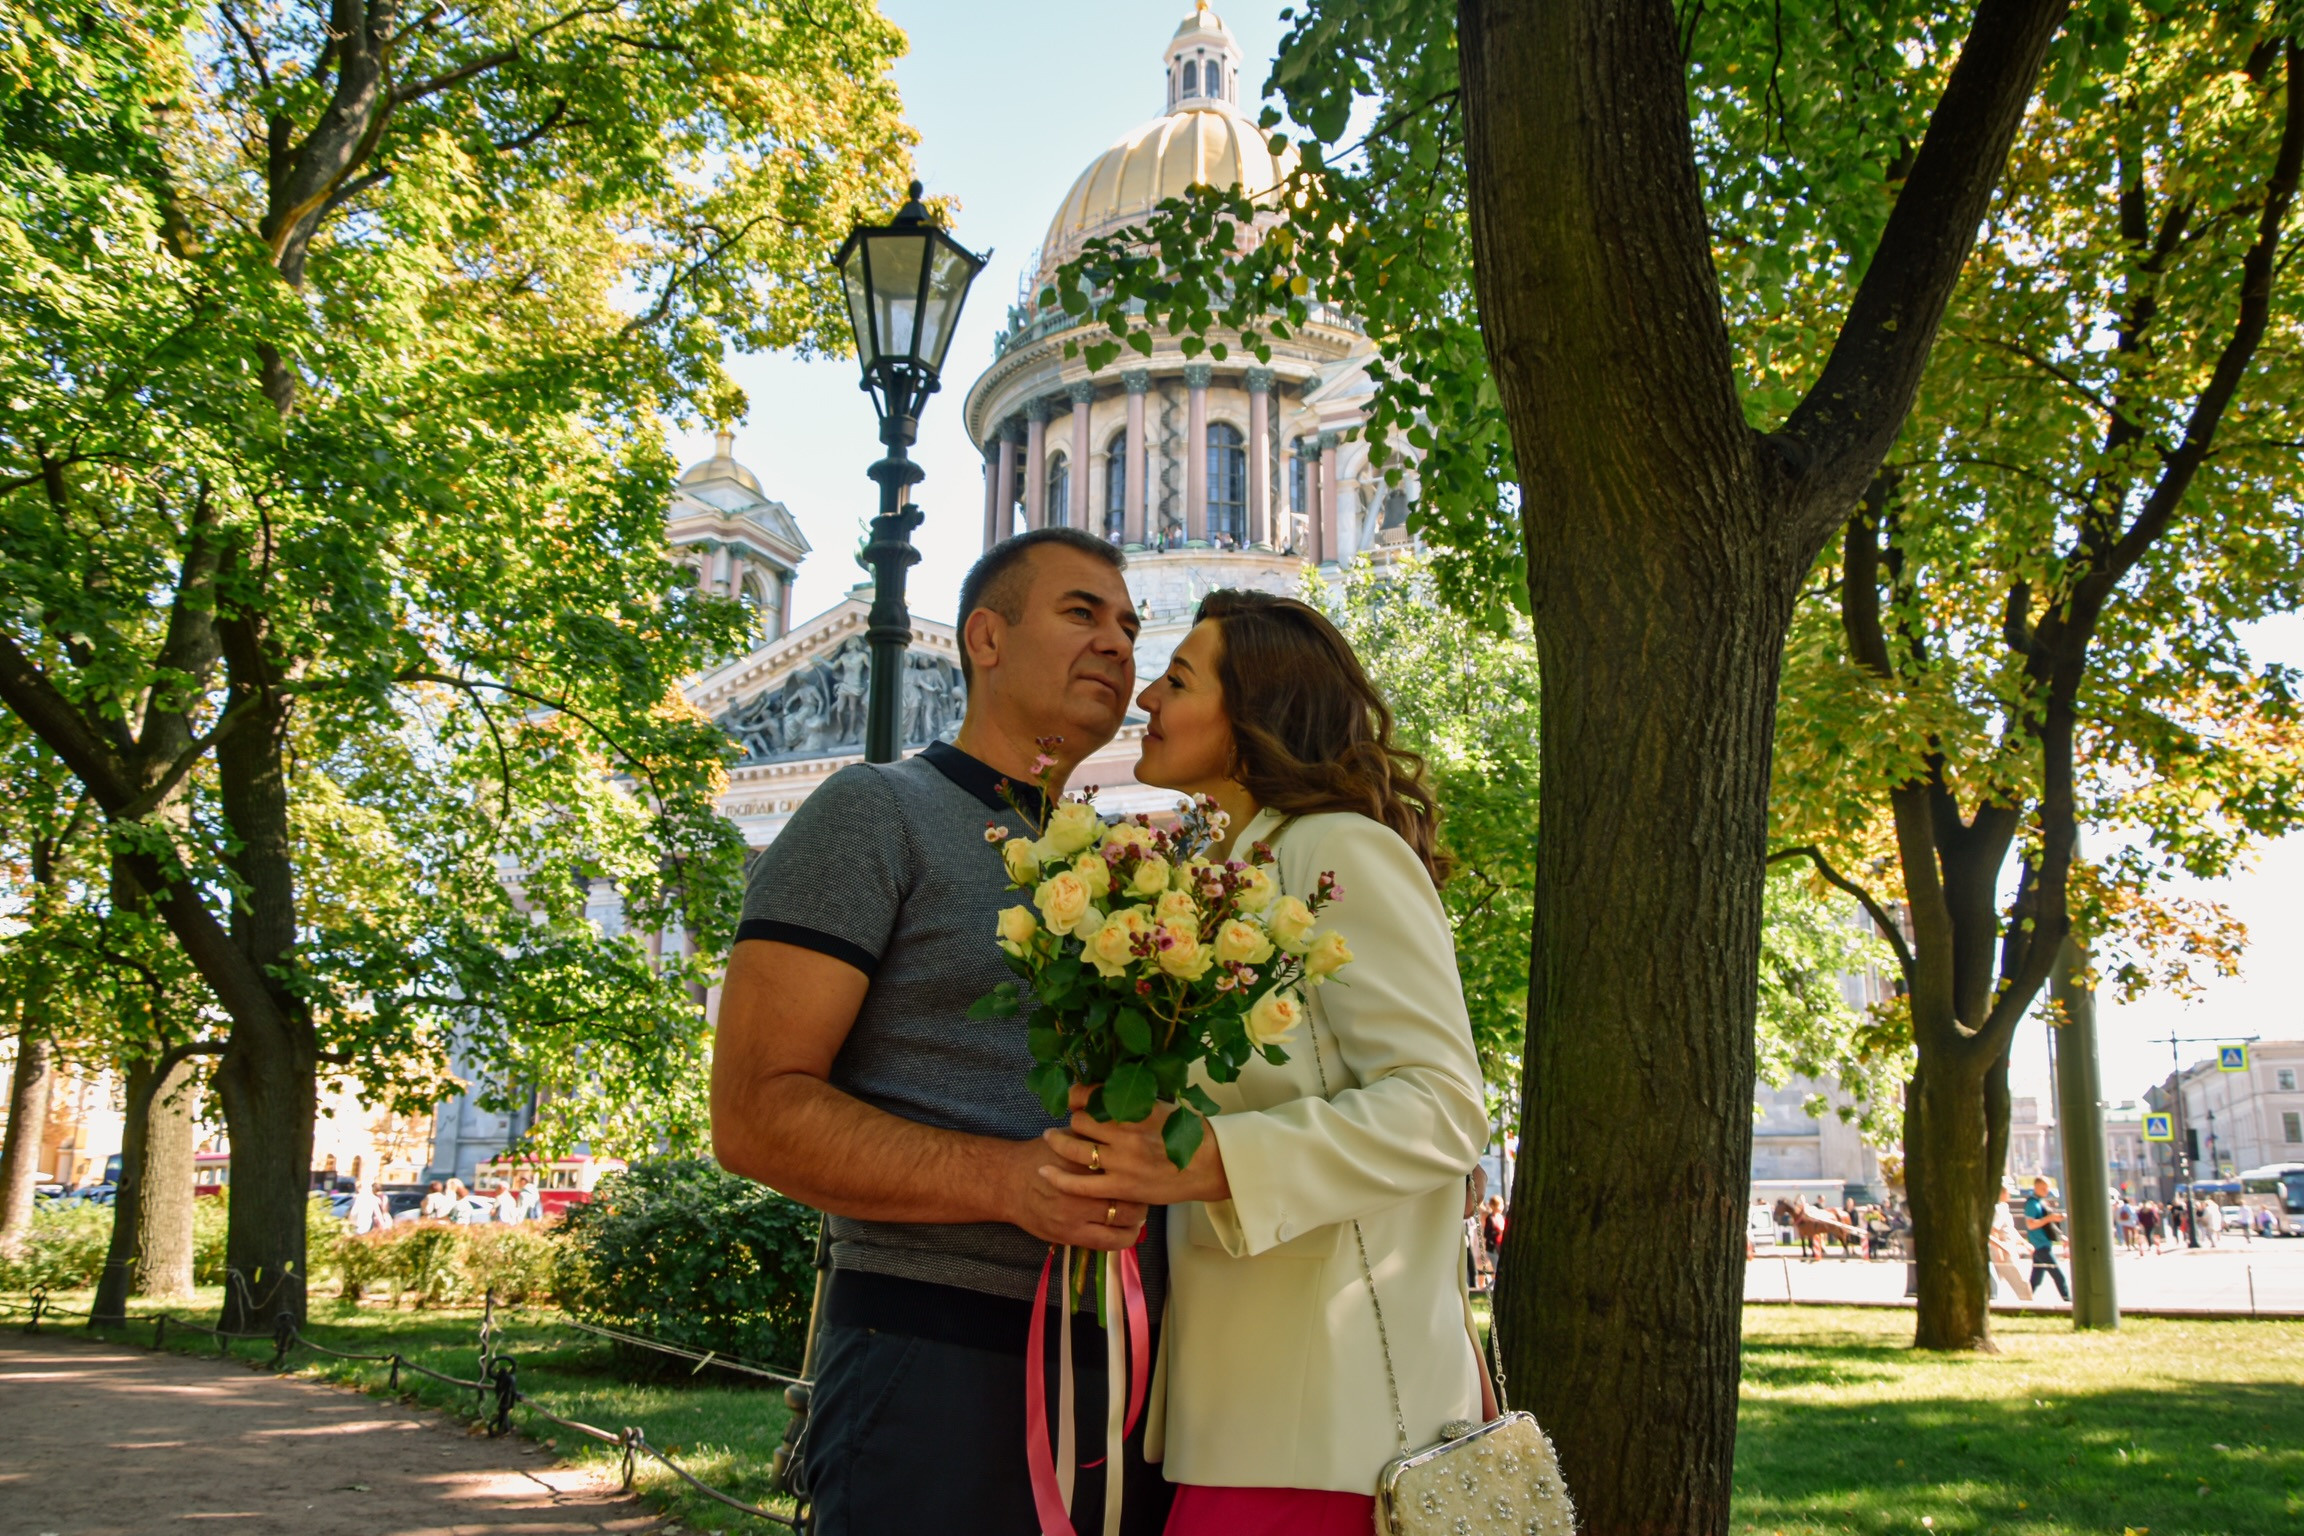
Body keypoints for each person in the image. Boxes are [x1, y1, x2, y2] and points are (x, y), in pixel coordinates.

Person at [711, 528, 1164, 1536]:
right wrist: (1008, 1183)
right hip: (937, 1368)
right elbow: (753, 1114)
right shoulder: (875, 814)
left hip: (1128, 1375)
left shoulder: (1128, 870)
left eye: (1128, 626)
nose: (1118, 645)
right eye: (1081, 613)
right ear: (985, 639)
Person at [1038, 589, 1490, 1534]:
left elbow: (1443, 1108)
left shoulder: (1340, 851)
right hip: (1251, 1412)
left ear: (1253, 714)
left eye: (1177, 678)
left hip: (1342, 1429)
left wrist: (1213, 1161)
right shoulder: (1240, 868)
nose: (1145, 700)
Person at [2023, 1176, 2071, 1302]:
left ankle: (2026, 1301)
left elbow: (2047, 1225)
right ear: (2036, 1187)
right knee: (2058, 1276)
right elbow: (2031, 1224)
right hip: (2040, 1245)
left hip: (2043, 1244)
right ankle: (2068, 1301)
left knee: (2036, 1278)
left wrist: (2061, 1236)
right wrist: (2050, 1218)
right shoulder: (2032, 1203)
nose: (2046, 1190)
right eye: (2043, 1187)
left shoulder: (2040, 1202)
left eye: (2047, 1187)